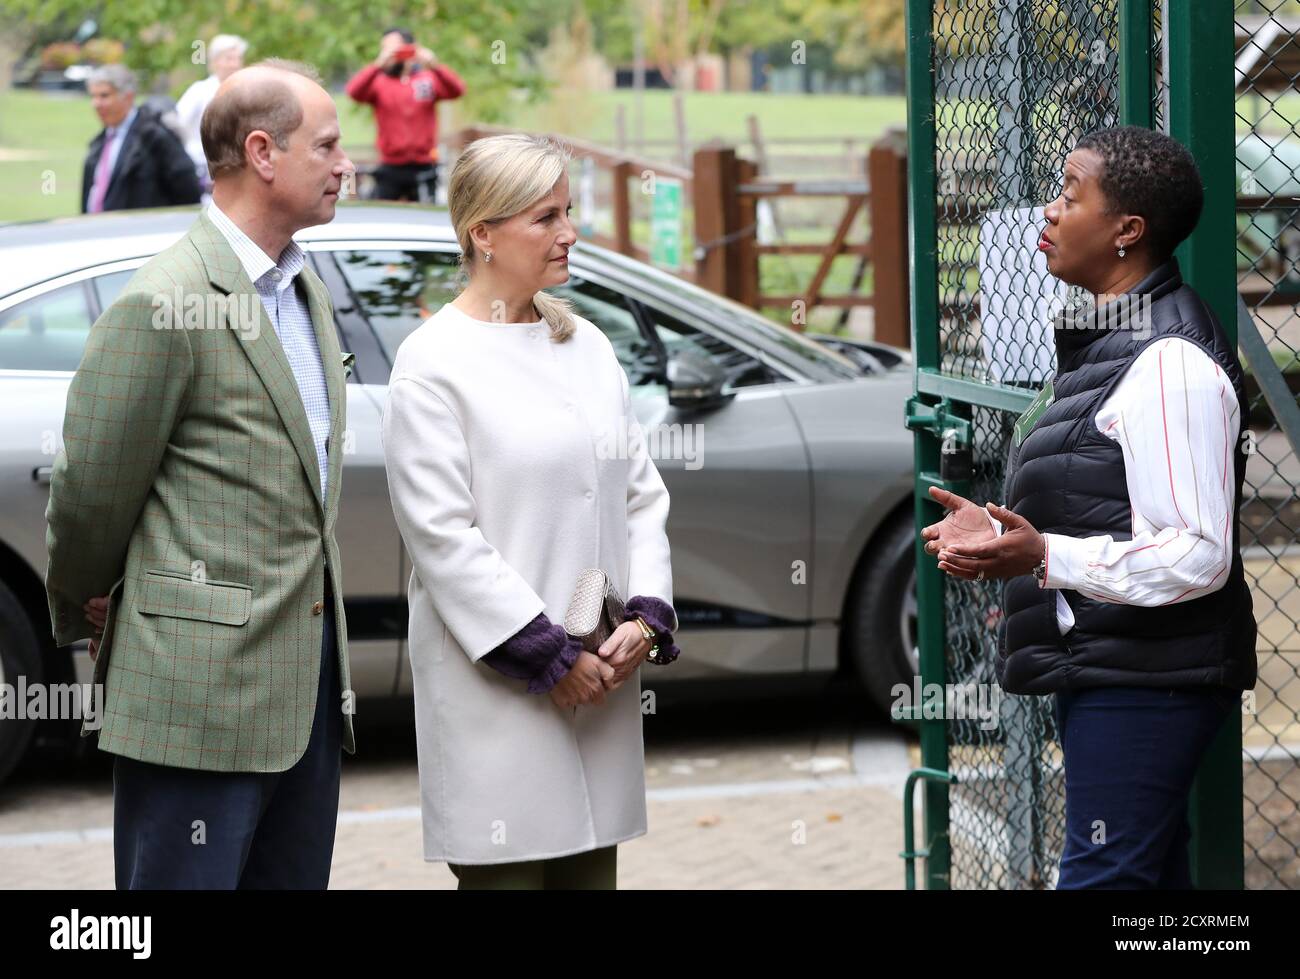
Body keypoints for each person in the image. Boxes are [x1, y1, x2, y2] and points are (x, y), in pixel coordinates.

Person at [48, 60, 357, 889]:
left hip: (306, 703)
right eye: (327, 146)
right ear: (262, 152)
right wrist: (99, 599)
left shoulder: (305, 291)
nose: (345, 164)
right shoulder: (164, 301)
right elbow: (91, 494)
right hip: (195, 703)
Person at [921, 126, 1257, 890]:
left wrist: (1044, 557)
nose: (1048, 210)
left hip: (1149, 681)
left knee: (1104, 879)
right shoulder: (1109, 341)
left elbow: (1197, 552)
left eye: (1070, 196)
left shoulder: (1167, 361)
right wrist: (1008, 530)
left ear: (1126, 231)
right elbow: (1098, 496)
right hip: (1119, 667)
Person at [380, 132, 680, 890]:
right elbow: (442, 539)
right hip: (498, 700)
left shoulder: (588, 346)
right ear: (482, 232)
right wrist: (548, 656)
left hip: (602, 690)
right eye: (545, 217)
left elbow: (639, 492)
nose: (570, 233)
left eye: (568, 212)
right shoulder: (432, 362)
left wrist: (646, 618)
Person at [345, 26, 465, 202]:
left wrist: (435, 66)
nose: (391, 53)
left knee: (424, 218)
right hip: (390, 165)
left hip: (424, 165)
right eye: (385, 49)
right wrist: (377, 65)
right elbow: (354, 92)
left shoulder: (427, 79)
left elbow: (457, 90)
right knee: (384, 217)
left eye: (395, 48)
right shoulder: (379, 81)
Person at [81, 64, 201, 213]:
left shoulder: (154, 137)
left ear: (128, 97)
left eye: (104, 96)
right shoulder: (99, 144)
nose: (96, 104)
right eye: (93, 96)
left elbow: (189, 192)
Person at [176, 34, 248, 196]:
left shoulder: (247, 92)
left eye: (238, 59)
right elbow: (177, 123)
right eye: (229, 59)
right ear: (215, 62)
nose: (235, 64)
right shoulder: (200, 90)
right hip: (202, 173)